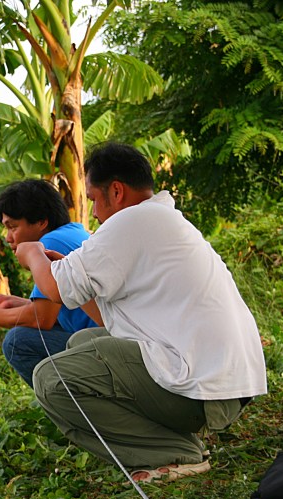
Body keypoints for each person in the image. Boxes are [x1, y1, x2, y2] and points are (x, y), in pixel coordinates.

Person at [15, 142, 267, 481]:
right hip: (220, 387)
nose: (95, 213)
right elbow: (110, 321)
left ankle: (175, 453)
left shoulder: (133, 220)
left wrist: (32, 254)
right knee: (82, 341)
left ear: (116, 191)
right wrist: (66, 273)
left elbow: (55, 288)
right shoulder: (160, 219)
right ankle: (175, 439)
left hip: (204, 393)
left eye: (93, 200)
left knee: (50, 378)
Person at [0, 179, 96, 386]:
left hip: (102, 343)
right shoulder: (73, 231)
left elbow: (42, 319)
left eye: (13, 227)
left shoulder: (49, 243)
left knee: (17, 341)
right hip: (100, 335)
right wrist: (8, 302)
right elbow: (57, 309)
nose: (8, 238)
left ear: (41, 221)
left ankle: (70, 406)